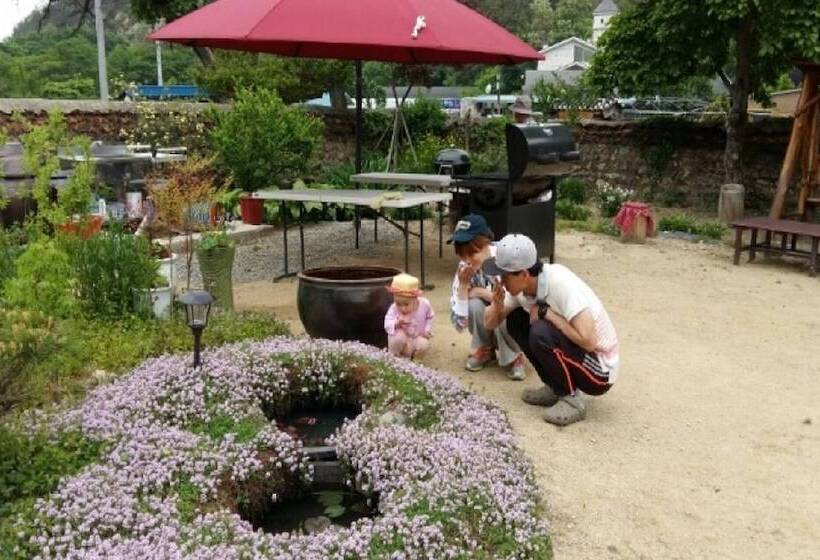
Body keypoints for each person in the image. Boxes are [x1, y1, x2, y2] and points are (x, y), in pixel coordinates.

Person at [483, 234, 619, 426]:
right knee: (515, 320)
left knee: (541, 331)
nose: (501, 281)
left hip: (600, 369)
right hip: (581, 355)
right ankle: (555, 387)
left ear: (523, 274)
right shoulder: (522, 289)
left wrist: (548, 314)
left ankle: (572, 399)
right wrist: (497, 306)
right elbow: (489, 324)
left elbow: (590, 341)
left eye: (504, 276)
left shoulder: (560, 284)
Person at [449, 214, 527, 380]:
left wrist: (482, 293)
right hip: (491, 317)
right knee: (473, 305)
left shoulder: (505, 258)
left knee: (501, 308)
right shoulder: (465, 269)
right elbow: (459, 324)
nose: (467, 261)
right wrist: (464, 289)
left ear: (486, 244)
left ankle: (514, 356)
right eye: (463, 256)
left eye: (472, 254)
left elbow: (520, 300)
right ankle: (486, 350)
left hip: (514, 322)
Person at [384, 272, 434, 359]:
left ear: (415, 298)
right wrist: (396, 323)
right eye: (398, 304)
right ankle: (395, 358)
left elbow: (430, 317)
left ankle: (416, 360)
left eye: (406, 304)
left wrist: (427, 330)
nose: (403, 308)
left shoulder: (424, 305)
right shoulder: (393, 308)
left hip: (416, 337)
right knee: (397, 339)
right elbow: (387, 321)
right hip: (401, 338)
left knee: (424, 344)